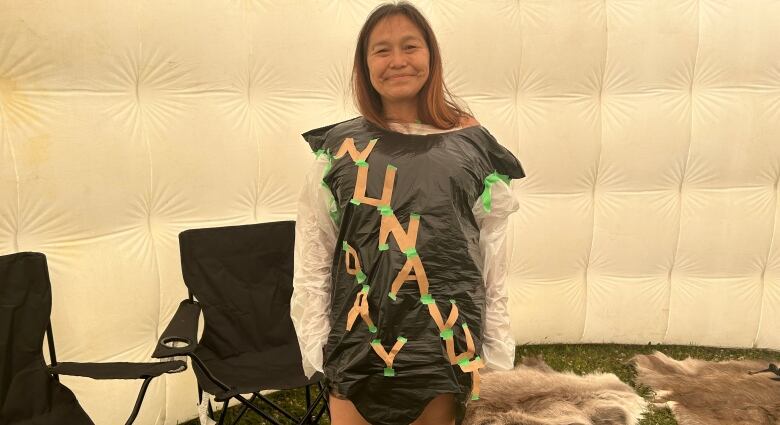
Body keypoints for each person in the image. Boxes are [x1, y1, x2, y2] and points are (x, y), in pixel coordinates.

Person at [290, 2, 525, 424]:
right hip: (357, 344)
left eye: (409, 47)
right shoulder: (339, 151)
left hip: (441, 343)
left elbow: (492, 259)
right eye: (382, 50)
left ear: (430, 57)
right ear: (365, 64)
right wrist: (316, 340)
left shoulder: (472, 148)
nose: (397, 61)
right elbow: (314, 251)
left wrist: (496, 345)